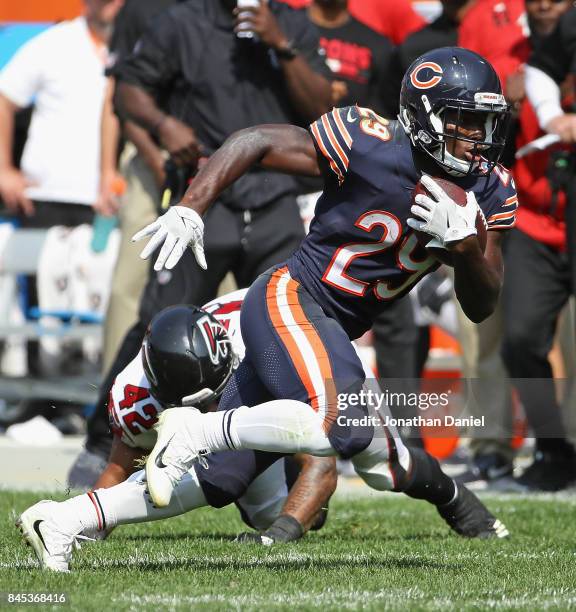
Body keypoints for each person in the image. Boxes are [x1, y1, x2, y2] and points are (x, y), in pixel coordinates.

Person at [134, 47, 515, 540]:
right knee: (337, 422)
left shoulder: (489, 190)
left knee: (225, 476)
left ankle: (72, 519)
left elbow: (482, 305)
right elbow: (254, 141)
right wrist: (191, 207)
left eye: (485, 123)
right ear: (425, 116)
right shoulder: (370, 143)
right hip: (294, 297)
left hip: (337, 328)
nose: (477, 138)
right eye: (464, 121)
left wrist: (465, 249)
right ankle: (259, 506)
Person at [67, 0, 333, 486]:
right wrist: (165, 128)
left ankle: (296, 464)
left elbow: (322, 109)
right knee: (160, 319)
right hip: (205, 201)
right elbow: (129, 92)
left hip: (275, 202)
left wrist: (283, 46)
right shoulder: (180, 22)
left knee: (290, 328)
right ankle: (102, 443)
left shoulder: (292, 24)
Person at [17, 298, 338, 572]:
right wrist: (85, 531)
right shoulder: (135, 397)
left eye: (218, 396)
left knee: (287, 509)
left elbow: (322, 461)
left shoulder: (262, 341)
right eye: (204, 404)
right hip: (214, 433)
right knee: (221, 478)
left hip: (279, 370)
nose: (214, 408)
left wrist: (281, 532)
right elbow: (118, 470)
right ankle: (60, 521)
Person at [498, 0, 576, 491]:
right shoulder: (518, 54)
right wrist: (543, 115)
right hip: (534, 217)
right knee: (521, 339)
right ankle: (552, 448)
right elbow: (539, 74)